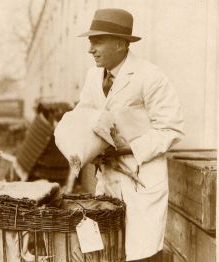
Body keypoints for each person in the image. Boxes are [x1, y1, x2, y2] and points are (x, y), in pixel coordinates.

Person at [76, 9, 184, 261]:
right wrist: (85, 148)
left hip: (141, 178)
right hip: (108, 179)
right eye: (90, 41)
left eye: (97, 41)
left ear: (121, 44)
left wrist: (126, 149)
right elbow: (84, 117)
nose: (90, 49)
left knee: (142, 253)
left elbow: (171, 128)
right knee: (108, 250)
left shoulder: (150, 76)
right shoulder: (93, 77)